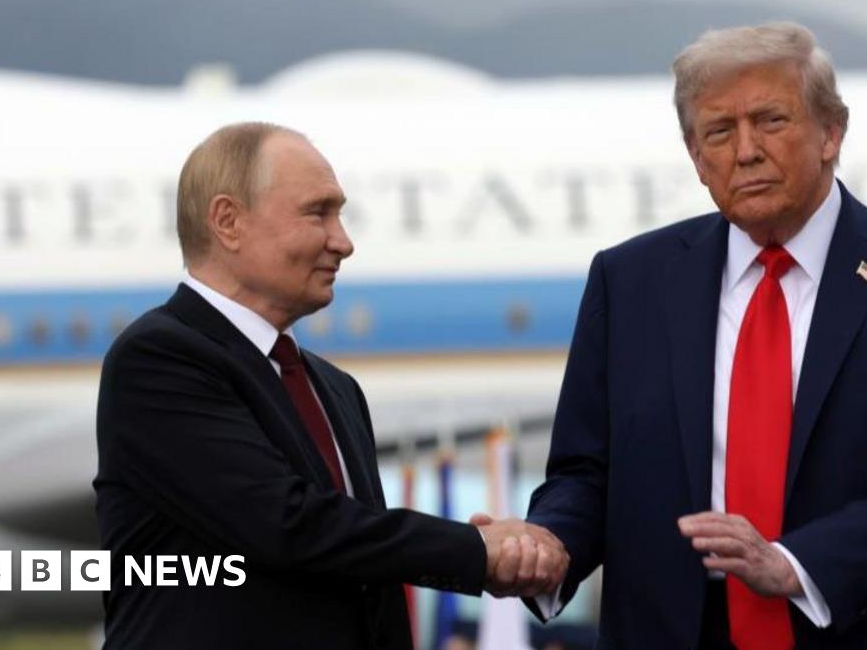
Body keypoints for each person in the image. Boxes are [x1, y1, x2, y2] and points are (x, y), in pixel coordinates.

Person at [523, 23, 867, 649]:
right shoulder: (630, 283)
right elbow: (586, 474)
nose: (745, 151)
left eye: (771, 121)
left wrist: (794, 565)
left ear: (831, 133)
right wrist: (545, 544)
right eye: (719, 133)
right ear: (697, 159)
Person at [94, 122, 566, 649]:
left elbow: (360, 559)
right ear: (228, 221)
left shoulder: (332, 387)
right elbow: (285, 524)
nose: (343, 242)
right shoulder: (160, 359)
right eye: (318, 212)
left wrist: (476, 548)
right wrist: (474, 551)